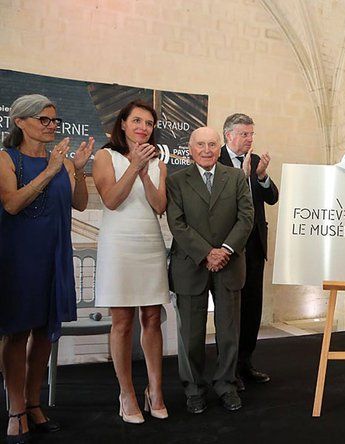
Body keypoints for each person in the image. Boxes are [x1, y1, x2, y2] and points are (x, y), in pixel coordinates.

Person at [0, 94, 93, 444]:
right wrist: (52, 170)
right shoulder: (6, 158)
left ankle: (35, 403)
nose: (52, 126)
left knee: (44, 333)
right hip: (19, 256)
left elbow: (81, 204)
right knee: (16, 332)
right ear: (20, 122)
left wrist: (78, 170)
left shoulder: (64, 162)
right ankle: (15, 409)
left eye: (55, 120)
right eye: (44, 120)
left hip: (55, 253)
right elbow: (11, 204)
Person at [166, 126, 253, 414]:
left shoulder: (236, 177)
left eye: (212, 144)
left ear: (220, 148)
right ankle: (193, 389)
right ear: (190, 149)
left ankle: (226, 385)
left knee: (229, 332)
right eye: (200, 145)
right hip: (190, 265)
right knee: (190, 334)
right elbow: (177, 223)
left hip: (229, 264)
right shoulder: (176, 181)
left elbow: (246, 217)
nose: (206, 150)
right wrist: (206, 253)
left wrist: (225, 250)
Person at [93, 100, 170, 424]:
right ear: (122, 123)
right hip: (118, 246)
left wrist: (146, 171)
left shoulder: (159, 163)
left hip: (150, 243)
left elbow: (159, 206)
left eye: (149, 123)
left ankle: (155, 391)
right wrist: (133, 166)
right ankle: (126, 393)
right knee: (122, 321)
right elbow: (111, 200)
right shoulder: (104, 156)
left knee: (152, 317)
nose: (143, 127)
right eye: (137, 120)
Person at [218, 113, 279, 389]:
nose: (250, 139)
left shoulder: (255, 163)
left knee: (253, 307)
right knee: (231, 310)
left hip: (254, 245)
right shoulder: (214, 160)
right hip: (227, 247)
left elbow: (272, 197)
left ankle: (246, 362)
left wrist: (262, 176)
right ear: (229, 135)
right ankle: (228, 368)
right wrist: (240, 179)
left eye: (252, 134)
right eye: (244, 134)